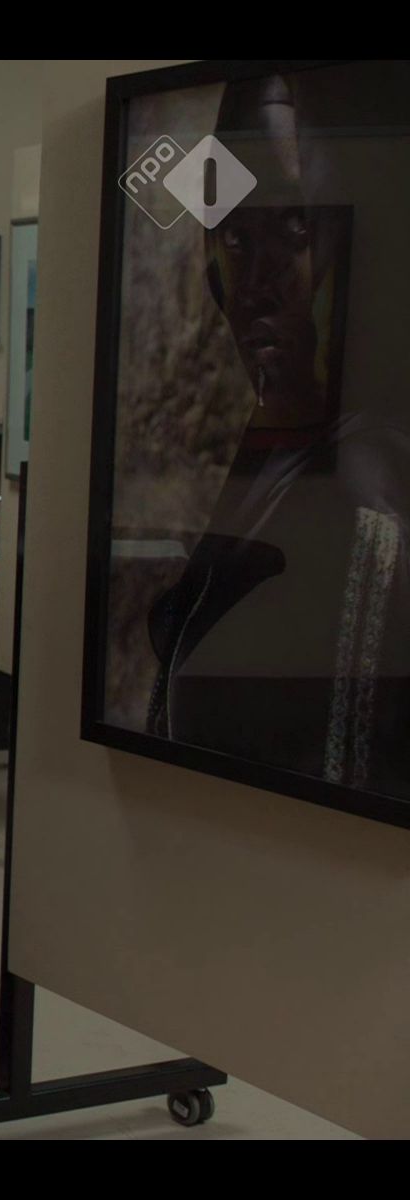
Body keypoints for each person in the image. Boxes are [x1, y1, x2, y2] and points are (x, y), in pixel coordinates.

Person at [149, 67, 410, 795]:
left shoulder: (371, 477)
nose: (259, 278)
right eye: (237, 235)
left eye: (295, 227)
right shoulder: (267, 453)